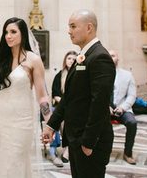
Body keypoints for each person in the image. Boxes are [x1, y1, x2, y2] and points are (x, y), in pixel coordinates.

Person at [42, 10, 116, 178]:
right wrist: (51, 125)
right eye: (69, 27)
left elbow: (99, 103)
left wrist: (88, 143)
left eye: (73, 26)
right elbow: (69, 98)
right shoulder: (84, 56)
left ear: (89, 27)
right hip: (76, 139)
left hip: (90, 142)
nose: (69, 31)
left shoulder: (100, 57)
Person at [0, 17, 52, 177]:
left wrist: (50, 123)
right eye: (6, 32)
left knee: (16, 162)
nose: (8, 36)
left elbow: (42, 95)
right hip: (1, 121)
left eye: (13, 32)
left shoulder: (33, 60)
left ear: (23, 34)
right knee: (3, 164)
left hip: (22, 122)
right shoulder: (1, 61)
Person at [109, 49, 139, 165]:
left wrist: (122, 108)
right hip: (105, 109)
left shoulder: (127, 75)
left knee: (132, 123)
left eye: (113, 55)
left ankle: (128, 153)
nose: (111, 58)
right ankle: (103, 150)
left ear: (118, 59)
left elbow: (132, 96)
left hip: (123, 109)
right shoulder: (101, 74)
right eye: (109, 56)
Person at [50, 50, 77, 165]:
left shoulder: (79, 74)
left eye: (73, 59)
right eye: (69, 58)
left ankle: (68, 149)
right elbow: (55, 94)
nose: (71, 61)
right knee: (62, 117)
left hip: (76, 107)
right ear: (65, 60)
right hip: (62, 106)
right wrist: (65, 103)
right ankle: (68, 146)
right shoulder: (59, 75)